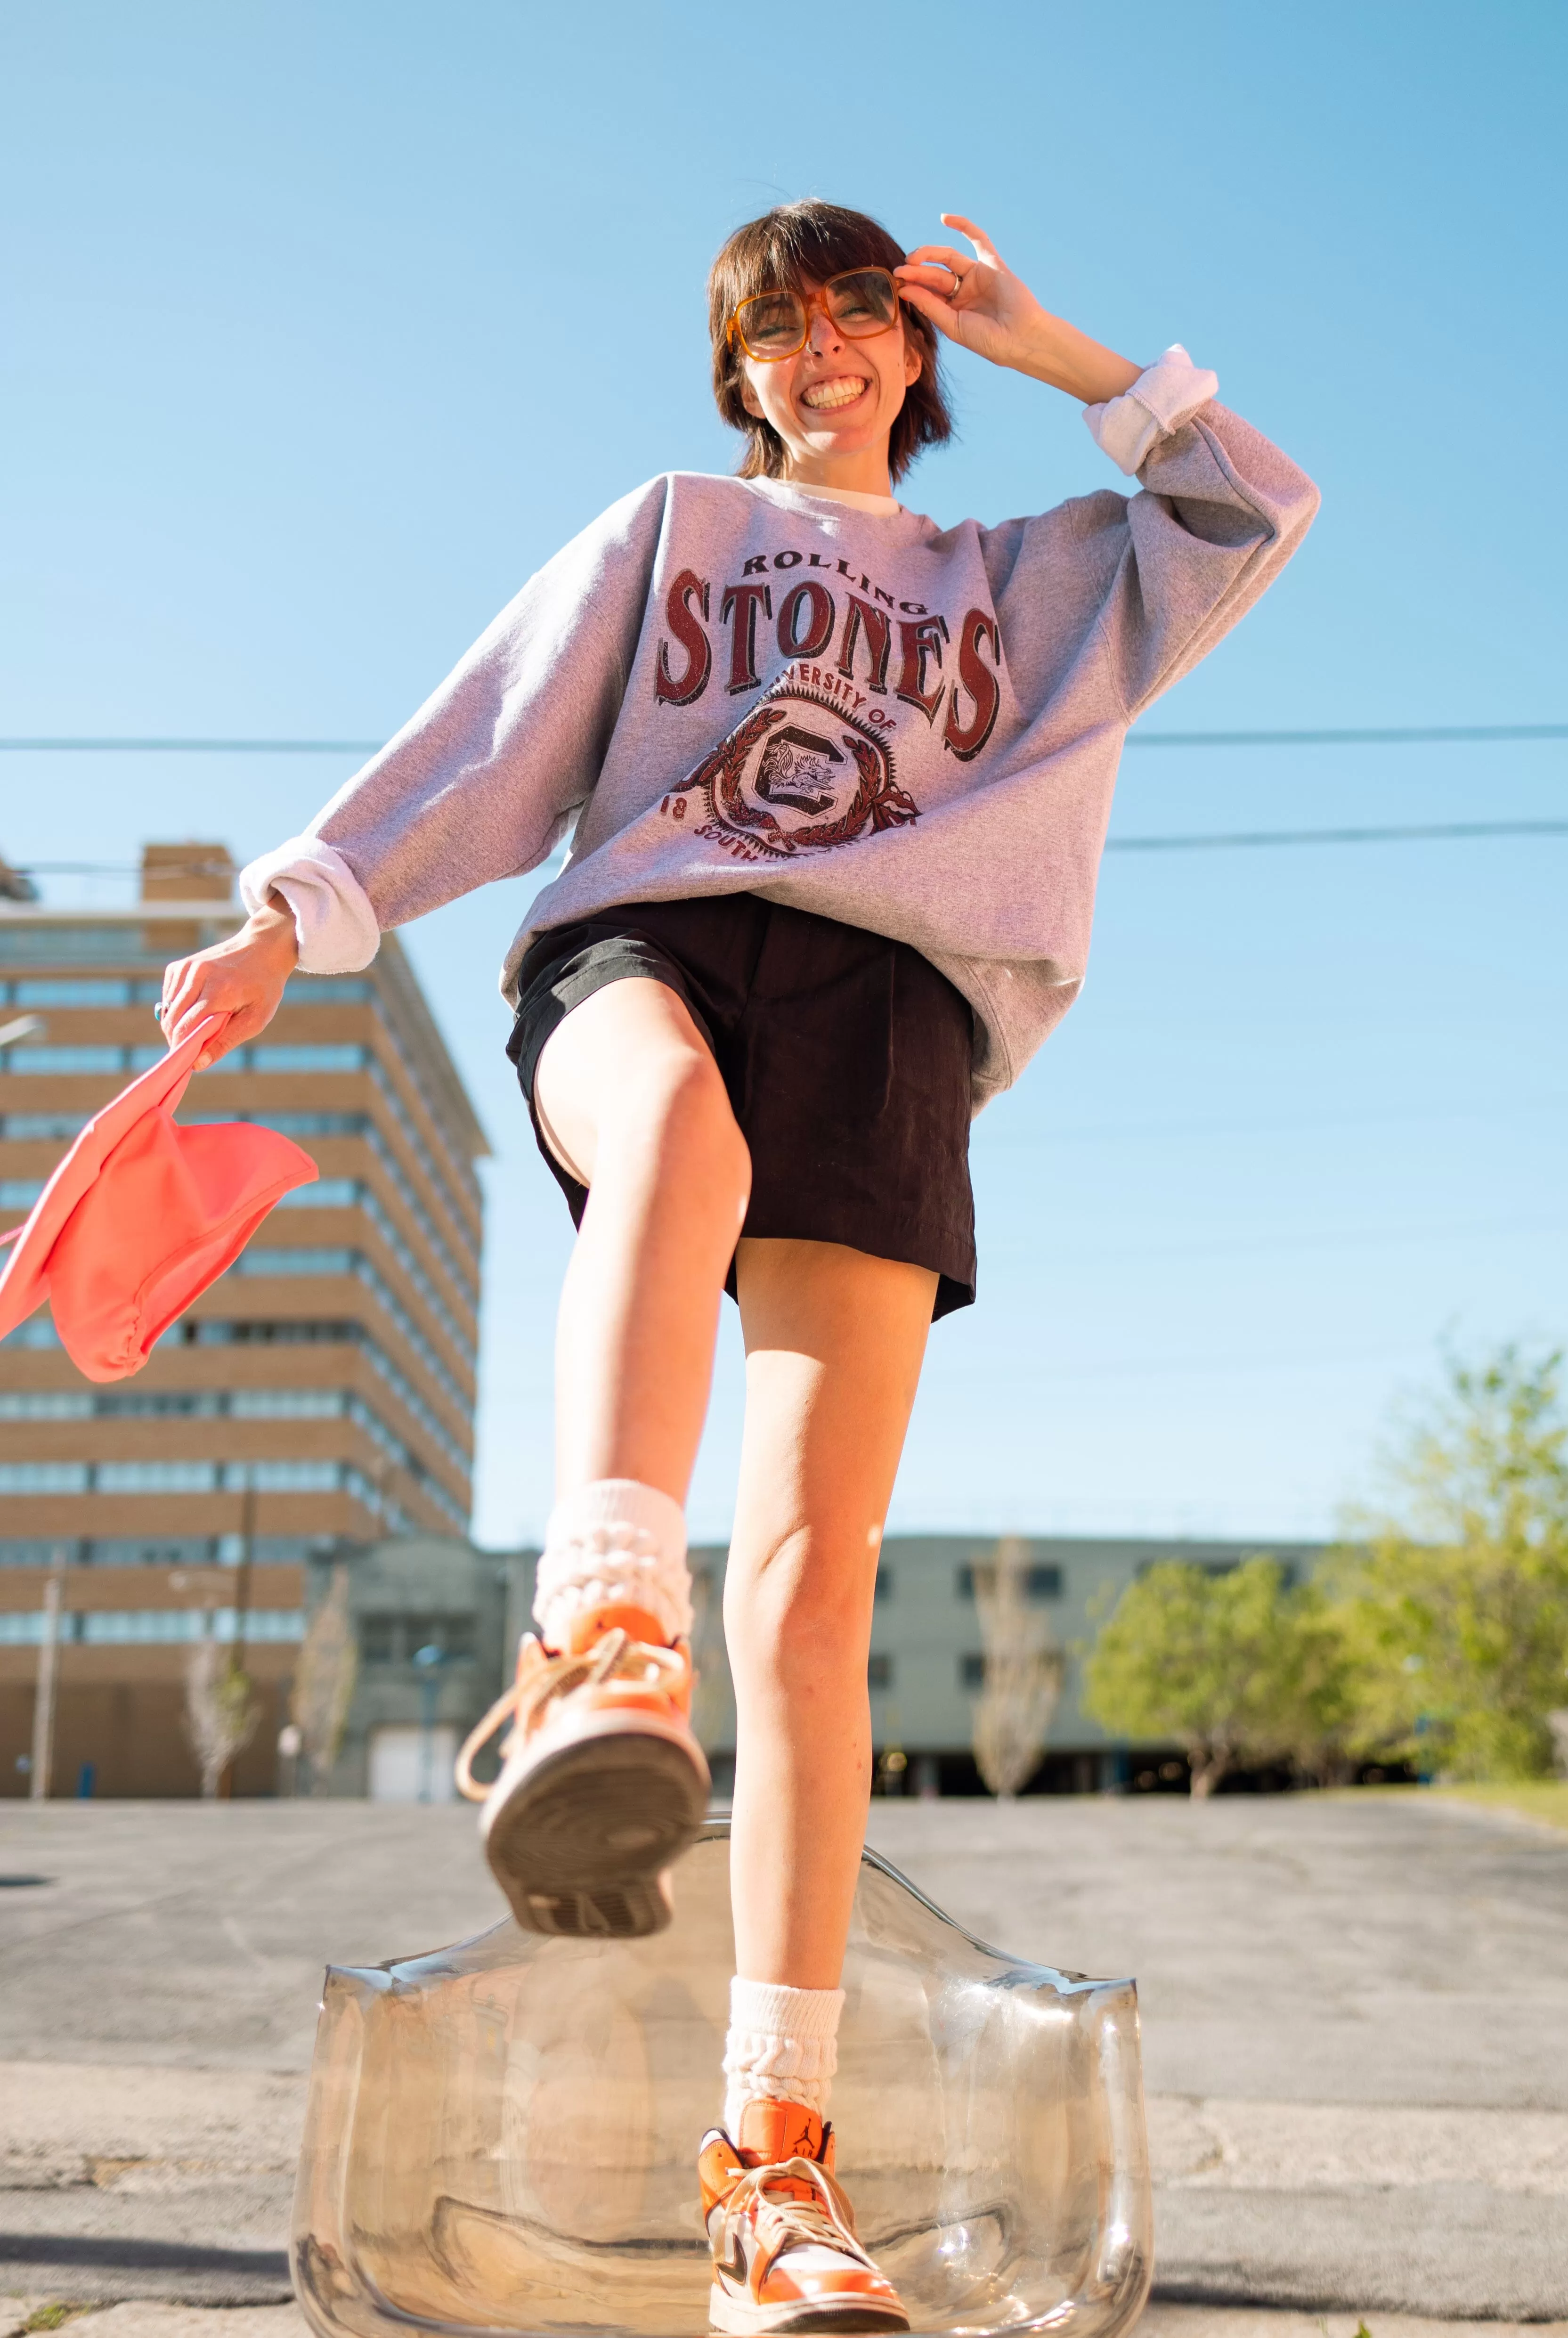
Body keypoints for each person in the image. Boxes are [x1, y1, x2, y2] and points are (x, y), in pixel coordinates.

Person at [159, 200, 1317, 2333]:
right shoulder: (677, 523)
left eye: (856, 319)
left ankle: (772, 2179)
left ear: (911, 342)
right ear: (735, 368)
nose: (820, 355)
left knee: (807, 1594)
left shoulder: (1023, 582)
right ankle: (598, 1632)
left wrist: (1056, 345)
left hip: (890, 1013)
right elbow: (493, 737)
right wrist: (297, 908)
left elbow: (1244, 508)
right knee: (669, 1128)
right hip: (654, 943)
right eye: (776, 330)